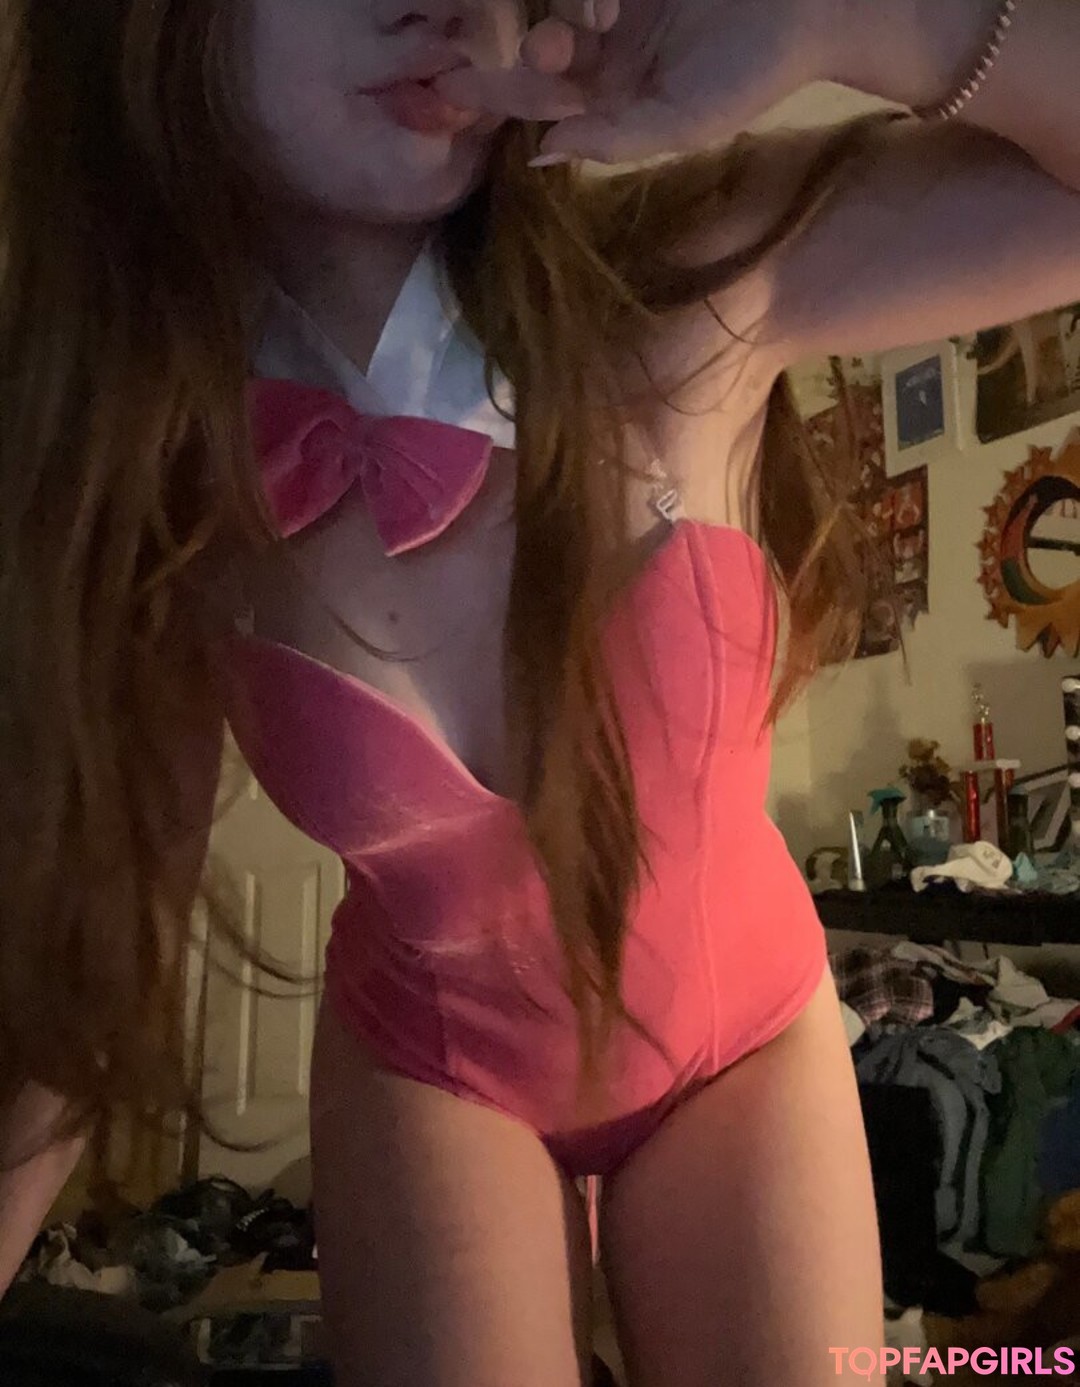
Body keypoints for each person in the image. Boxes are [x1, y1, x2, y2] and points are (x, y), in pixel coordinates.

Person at [3, 0, 1080, 1383]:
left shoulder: (689, 278)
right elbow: (92, 960)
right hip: (430, 1071)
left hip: (745, 1037)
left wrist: (847, 20)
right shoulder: (161, 480)